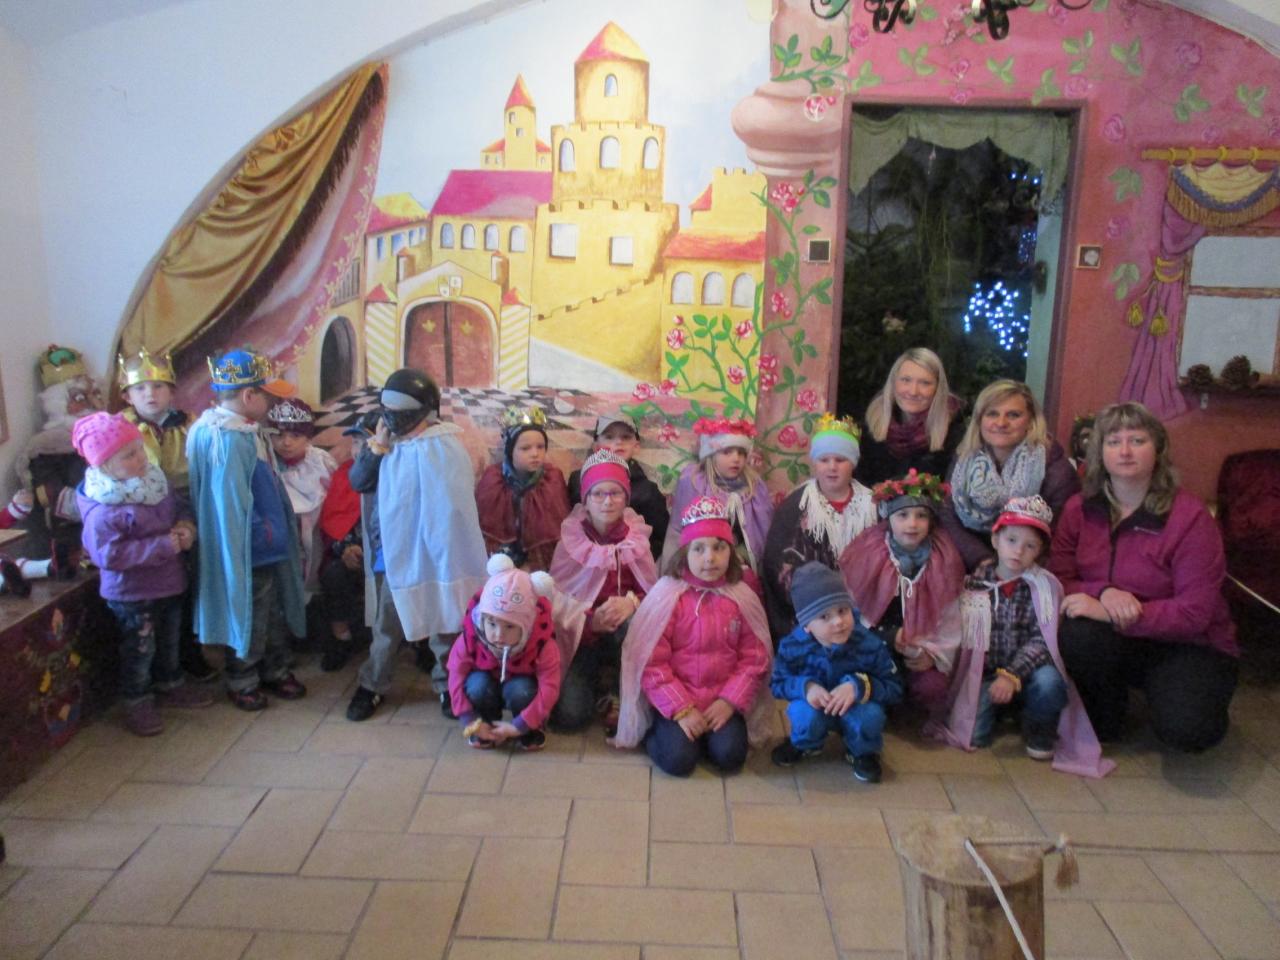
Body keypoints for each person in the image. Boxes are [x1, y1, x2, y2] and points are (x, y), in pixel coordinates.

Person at [1049, 402, 1238, 753]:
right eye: (1113, 441)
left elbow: (1195, 612)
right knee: (1077, 631)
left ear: (1158, 449)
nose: (1124, 451)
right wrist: (1104, 592)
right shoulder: (1079, 509)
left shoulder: (1190, 518)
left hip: (1188, 645)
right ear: (1099, 452)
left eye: (1137, 440)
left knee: (1190, 731)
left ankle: (1183, 697)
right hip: (1115, 639)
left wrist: (1119, 613)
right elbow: (1060, 578)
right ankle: (1107, 712)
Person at [928, 497, 1112, 776]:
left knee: (1050, 683)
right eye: (1011, 540)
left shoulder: (1045, 587)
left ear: (1040, 551)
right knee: (974, 736)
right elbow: (959, 632)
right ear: (995, 540)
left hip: (1030, 671)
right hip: (987, 672)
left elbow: (1044, 639)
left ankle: (1038, 726)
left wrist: (1012, 675)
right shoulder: (975, 583)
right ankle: (1002, 708)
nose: (1018, 551)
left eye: (1030, 546)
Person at [345, 369, 489, 722]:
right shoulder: (386, 444)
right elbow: (359, 481)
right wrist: (377, 447)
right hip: (396, 555)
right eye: (388, 411)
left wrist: (447, 552)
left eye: (401, 412)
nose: (393, 419)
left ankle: (447, 685)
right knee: (387, 625)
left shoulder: (447, 445)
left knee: (445, 622)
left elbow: (455, 507)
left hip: (440, 556)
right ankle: (372, 684)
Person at [73, 412, 214, 735]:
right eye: (128, 455)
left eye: (139, 449)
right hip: (133, 594)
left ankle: (170, 682)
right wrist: (163, 545)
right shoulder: (104, 508)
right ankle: (136, 699)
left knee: (169, 641)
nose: (140, 458)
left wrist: (186, 525)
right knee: (139, 648)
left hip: (169, 583)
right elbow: (108, 555)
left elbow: (178, 505)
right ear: (104, 465)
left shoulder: (153, 481)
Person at [614, 496, 773, 776]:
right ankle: (663, 733)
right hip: (677, 699)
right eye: (698, 549)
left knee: (731, 756)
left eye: (719, 547)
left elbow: (754, 658)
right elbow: (651, 661)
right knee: (678, 761)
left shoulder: (741, 596)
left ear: (731, 552)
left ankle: (705, 738)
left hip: (721, 699)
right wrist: (682, 709)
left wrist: (729, 701)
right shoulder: (669, 596)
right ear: (684, 554)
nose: (709, 558)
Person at [187, 348, 308, 711]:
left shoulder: (238, 429)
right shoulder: (228, 438)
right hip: (250, 548)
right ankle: (243, 678)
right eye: (268, 396)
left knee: (271, 613)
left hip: (261, 545)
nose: (273, 403)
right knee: (250, 615)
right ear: (249, 395)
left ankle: (274, 668)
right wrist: (261, 535)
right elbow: (231, 504)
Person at [117, 346, 215, 681]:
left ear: (172, 391)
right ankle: (152, 669)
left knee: (189, 589)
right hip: (141, 518)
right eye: (141, 388)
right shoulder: (121, 429)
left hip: (187, 510)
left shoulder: (191, 424)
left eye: (158, 386)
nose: (150, 394)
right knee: (152, 599)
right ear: (127, 396)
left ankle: (189, 652)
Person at [549, 449, 659, 733]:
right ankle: (597, 684)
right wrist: (589, 621)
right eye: (598, 494)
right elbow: (556, 602)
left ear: (626, 497)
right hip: (583, 639)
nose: (607, 501)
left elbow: (656, 594)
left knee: (634, 622)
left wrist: (632, 603)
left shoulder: (635, 539)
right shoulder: (571, 542)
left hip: (625, 636)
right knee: (570, 717)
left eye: (615, 493)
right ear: (585, 500)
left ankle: (621, 688)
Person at [839, 470, 964, 711]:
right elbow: (852, 609)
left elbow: (951, 618)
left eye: (921, 516)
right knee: (869, 684)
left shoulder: (943, 560)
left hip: (920, 648)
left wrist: (932, 654)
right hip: (876, 643)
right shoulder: (868, 554)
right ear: (888, 517)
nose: (912, 524)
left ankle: (912, 707)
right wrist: (887, 636)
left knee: (932, 687)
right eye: (903, 515)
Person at [770, 562, 903, 782]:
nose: (839, 621)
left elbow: (894, 686)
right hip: (816, 707)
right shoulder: (792, 647)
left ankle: (862, 751)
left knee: (870, 715)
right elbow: (777, 683)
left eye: (843, 610)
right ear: (806, 625)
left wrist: (859, 686)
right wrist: (806, 687)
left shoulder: (869, 643)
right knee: (803, 713)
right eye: (824, 616)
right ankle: (806, 743)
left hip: (856, 708)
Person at [762, 413, 878, 640]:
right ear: (815, 463)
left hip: (865, 612)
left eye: (840, 460)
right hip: (813, 615)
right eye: (824, 460)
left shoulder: (873, 505)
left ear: (853, 463)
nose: (832, 467)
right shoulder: (796, 506)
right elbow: (778, 563)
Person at [943, 380, 1079, 570]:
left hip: (1031, 568)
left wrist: (1009, 570)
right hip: (971, 563)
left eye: (1013, 415)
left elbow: (1057, 539)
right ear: (979, 420)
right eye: (992, 414)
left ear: (1031, 420)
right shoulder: (964, 459)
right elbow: (948, 516)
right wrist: (981, 560)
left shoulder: (1056, 470)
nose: (1001, 423)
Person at [448, 554, 561, 752]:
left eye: (510, 626)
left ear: (527, 626)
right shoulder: (470, 637)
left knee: (522, 690)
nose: (499, 635)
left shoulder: (543, 644)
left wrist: (521, 725)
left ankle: (528, 729)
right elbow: (455, 675)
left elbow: (549, 688)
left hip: (520, 685)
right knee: (477, 686)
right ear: (482, 618)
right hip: (486, 683)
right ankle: (487, 724)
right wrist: (469, 719)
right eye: (492, 623)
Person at [16, 345, 105, 570]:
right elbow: (49, 496)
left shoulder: (107, 434)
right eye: (80, 398)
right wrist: (101, 504)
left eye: (93, 396)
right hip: (68, 535)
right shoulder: (45, 446)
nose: (90, 404)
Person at [664, 417, 773, 577]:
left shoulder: (754, 487)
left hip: (741, 564)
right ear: (711, 455)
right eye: (727, 452)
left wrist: (739, 556)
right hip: (699, 563)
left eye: (741, 453)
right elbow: (678, 531)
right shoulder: (694, 482)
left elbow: (761, 534)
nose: (736, 459)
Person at [475, 406, 570, 572]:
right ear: (510, 450)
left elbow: (556, 520)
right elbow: (486, 522)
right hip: (501, 559)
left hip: (540, 560)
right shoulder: (493, 479)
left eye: (540, 447)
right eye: (525, 448)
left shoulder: (552, 479)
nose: (535, 454)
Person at [855, 347, 965, 487]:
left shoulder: (956, 434)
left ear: (938, 388)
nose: (913, 391)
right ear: (893, 383)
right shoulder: (867, 430)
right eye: (906, 380)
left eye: (925, 383)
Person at [568, 412, 669, 560]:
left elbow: (661, 537)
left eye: (626, 437)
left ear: (636, 445)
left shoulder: (648, 491)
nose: (618, 442)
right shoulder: (578, 481)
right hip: (586, 561)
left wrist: (633, 558)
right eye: (609, 437)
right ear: (596, 446)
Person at [265, 395, 337, 593]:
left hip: (318, 537)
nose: (286, 442)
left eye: (295, 436)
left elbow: (337, 500)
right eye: (279, 435)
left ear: (308, 437)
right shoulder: (266, 464)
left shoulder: (322, 463)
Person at [314, 419, 370, 673]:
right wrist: (345, 548)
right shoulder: (344, 473)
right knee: (334, 574)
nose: (358, 450)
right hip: (352, 552)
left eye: (366, 443)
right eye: (356, 442)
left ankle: (421, 643)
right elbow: (333, 519)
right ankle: (341, 638)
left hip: (390, 555)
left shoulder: (398, 472)